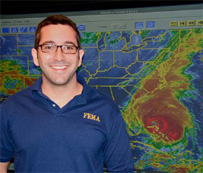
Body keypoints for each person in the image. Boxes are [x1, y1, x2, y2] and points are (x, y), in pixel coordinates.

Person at [0, 15, 134, 172]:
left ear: (79, 57)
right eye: (49, 47)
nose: (59, 57)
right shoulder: (10, 108)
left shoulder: (106, 110)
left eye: (68, 47)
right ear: (36, 56)